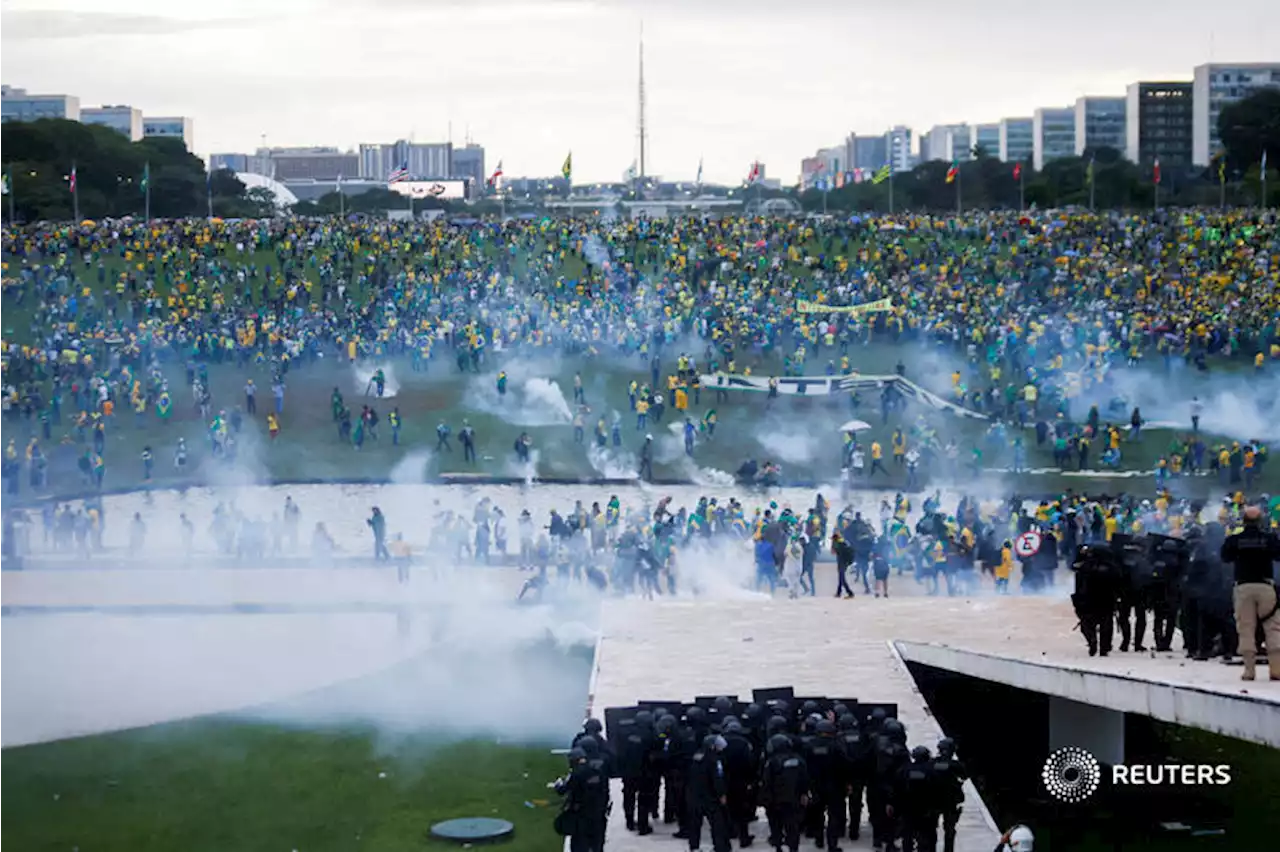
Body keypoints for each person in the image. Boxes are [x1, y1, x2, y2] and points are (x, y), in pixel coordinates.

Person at [1219, 505, 1280, 680]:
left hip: (1243, 587)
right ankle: (1276, 670)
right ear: (1260, 521)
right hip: (1266, 587)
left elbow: (1225, 557)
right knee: (1273, 627)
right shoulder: (1269, 539)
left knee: (1246, 628)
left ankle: (1249, 671)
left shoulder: (1235, 539)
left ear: (1243, 521)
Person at [554, 743, 609, 852]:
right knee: (597, 845)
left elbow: (562, 790)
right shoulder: (598, 771)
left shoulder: (577, 774)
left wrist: (558, 784)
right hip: (599, 814)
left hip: (581, 817)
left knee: (579, 846)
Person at [1070, 543, 1121, 656]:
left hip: (1088, 600)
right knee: (1106, 625)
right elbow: (1118, 584)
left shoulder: (1084, 567)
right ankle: (1104, 648)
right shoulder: (1112, 568)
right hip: (1107, 600)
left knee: (1086, 624)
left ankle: (1091, 639)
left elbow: (1078, 583)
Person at [762, 733, 809, 852]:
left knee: (776, 825)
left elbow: (766, 781)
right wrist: (804, 793)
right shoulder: (798, 759)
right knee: (792, 826)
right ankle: (793, 848)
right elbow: (805, 778)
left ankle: (778, 846)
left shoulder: (772, 762)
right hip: (794, 799)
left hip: (775, 800)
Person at [686, 734, 732, 852]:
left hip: (694, 795)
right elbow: (717, 778)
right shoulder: (714, 760)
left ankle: (694, 847)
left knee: (695, 824)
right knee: (717, 824)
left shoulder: (696, 756)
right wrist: (721, 794)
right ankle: (720, 847)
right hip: (710, 797)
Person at [931, 739, 967, 852]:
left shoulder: (932, 763)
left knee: (930, 829)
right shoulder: (956, 765)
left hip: (934, 800)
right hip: (951, 801)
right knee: (950, 830)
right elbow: (964, 776)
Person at [832, 532, 856, 599]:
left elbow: (835, 552)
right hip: (845, 563)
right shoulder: (845, 543)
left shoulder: (839, 545)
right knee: (840, 579)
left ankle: (850, 593)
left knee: (842, 579)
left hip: (842, 563)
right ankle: (838, 593)